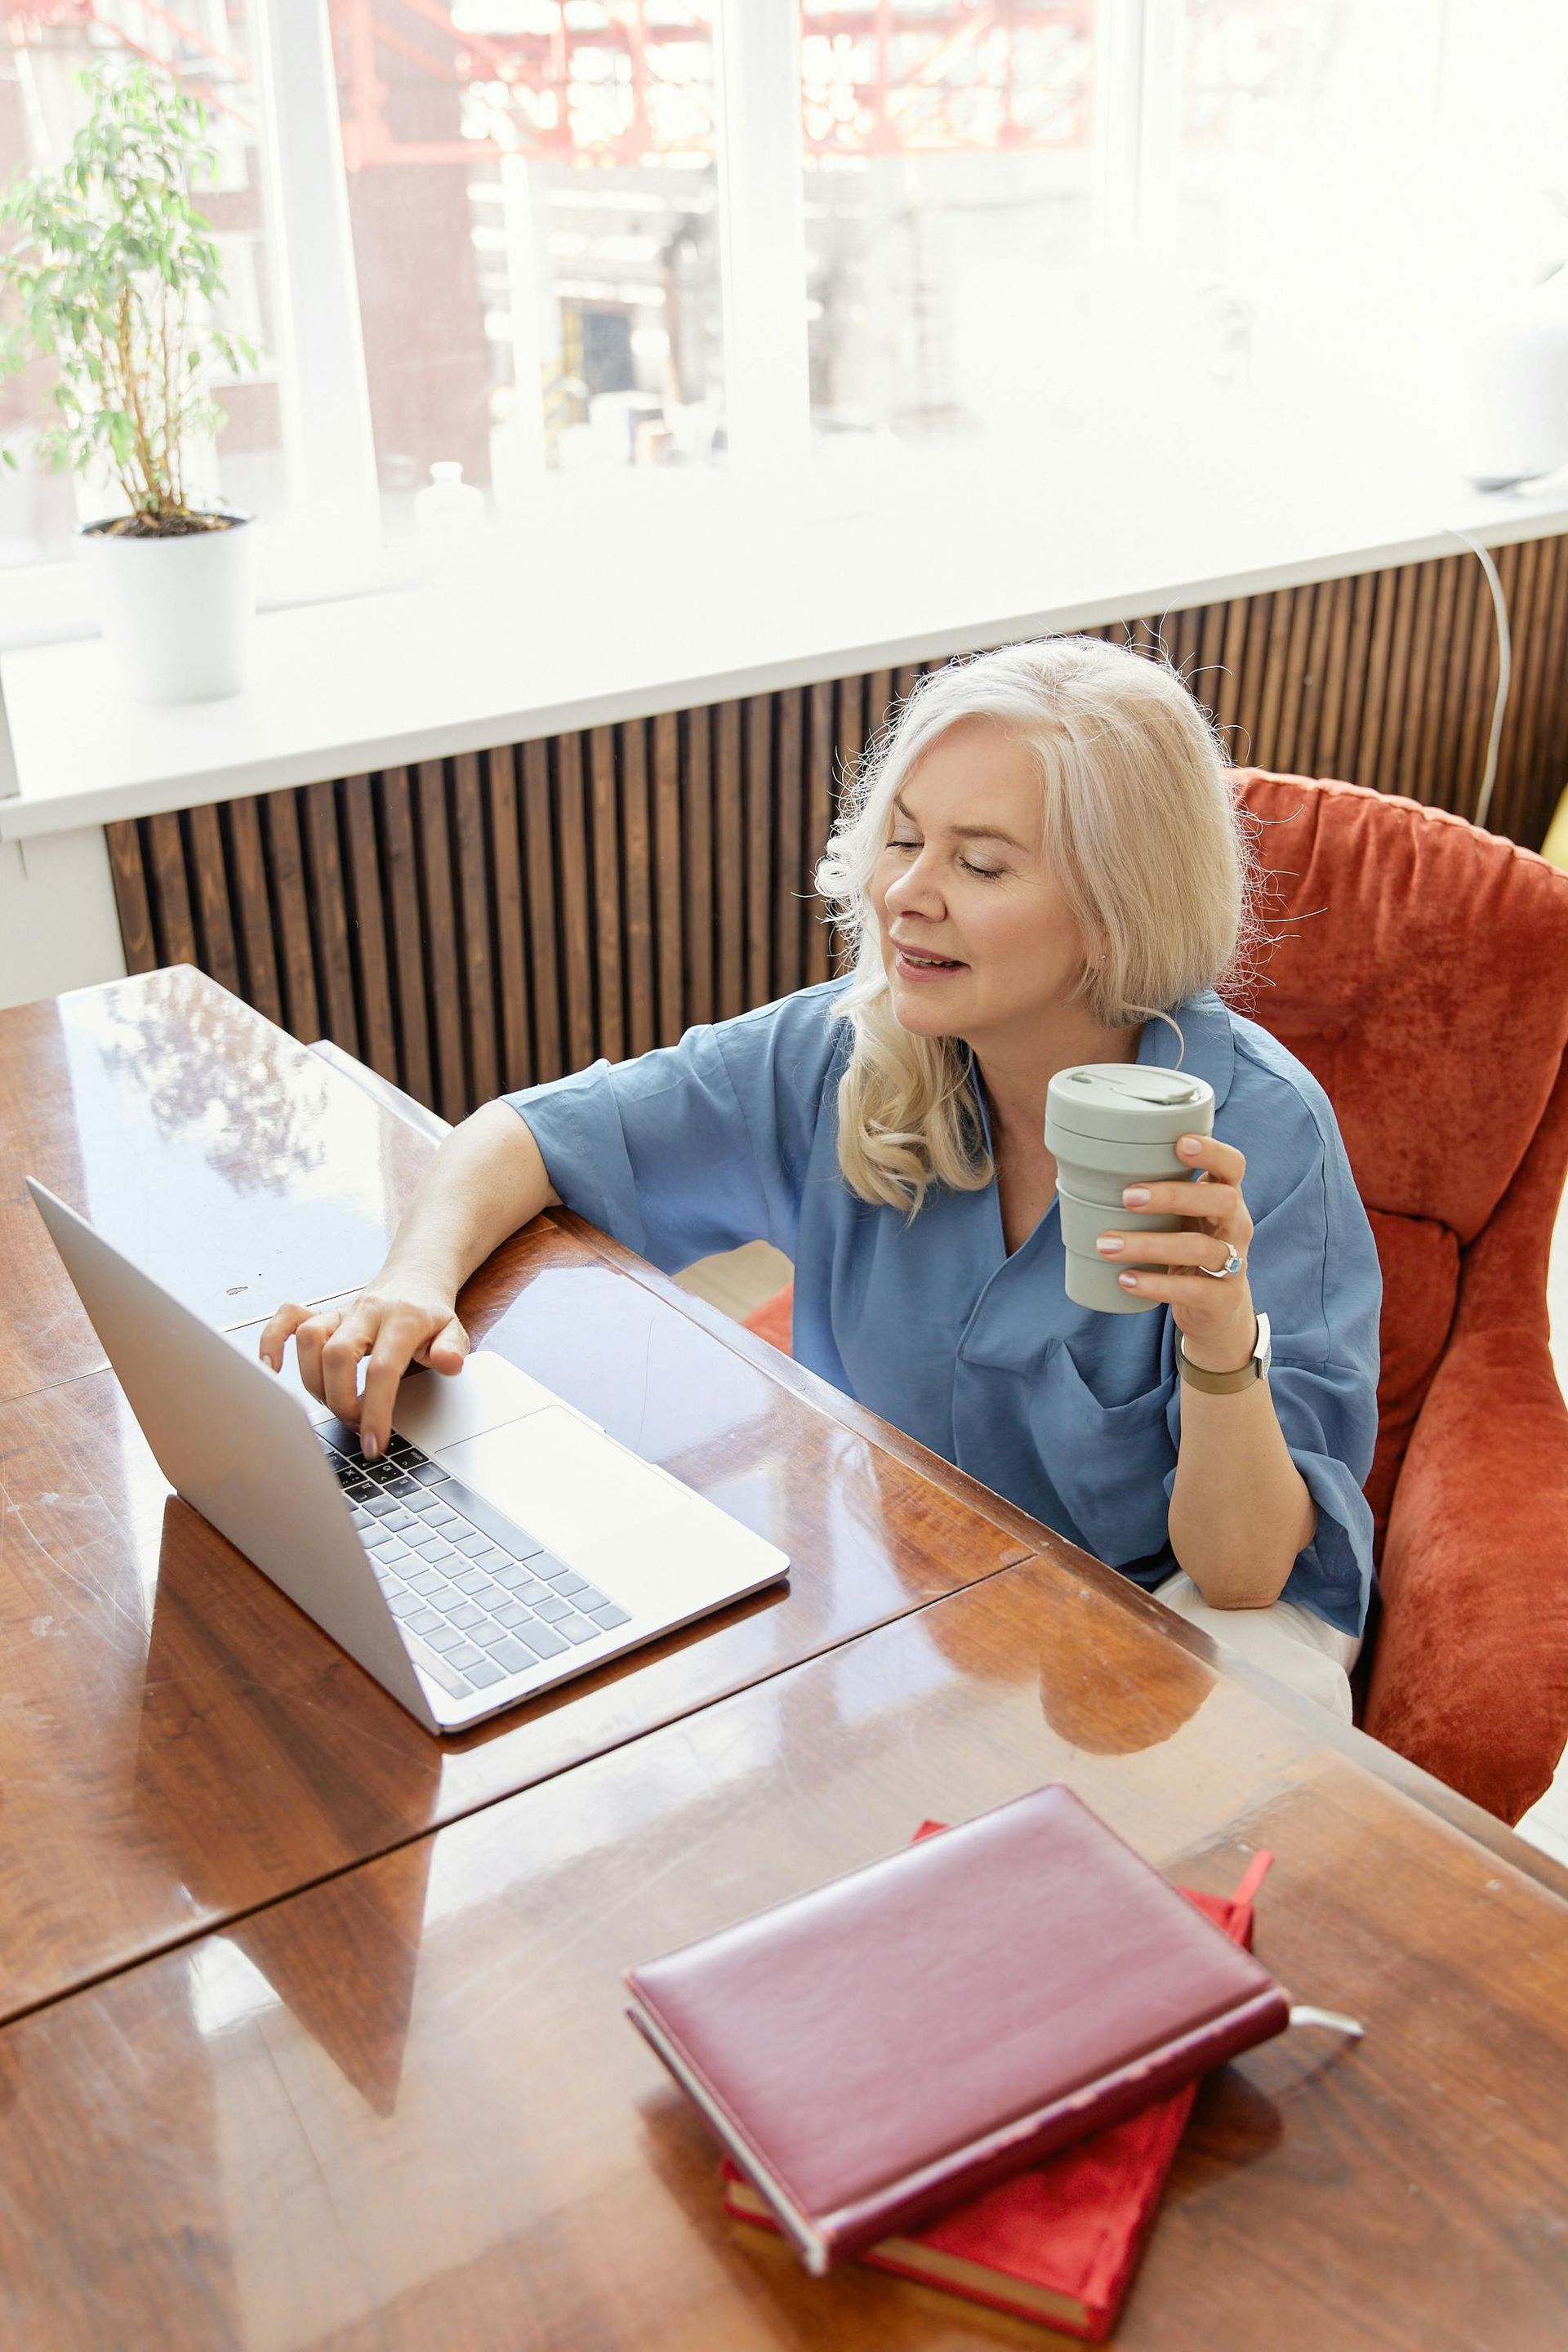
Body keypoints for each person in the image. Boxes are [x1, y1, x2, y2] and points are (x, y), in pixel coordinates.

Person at [261, 636, 1382, 1718]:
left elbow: (1241, 1577)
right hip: (938, 1594)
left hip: (1181, 1613)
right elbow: (530, 1133)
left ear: (1115, 908)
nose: (909, 894)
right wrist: (410, 1280)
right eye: (903, 842)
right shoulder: (851, 1053)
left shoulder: (1255, 1134)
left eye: (982, 863)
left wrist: (1220, 1339)